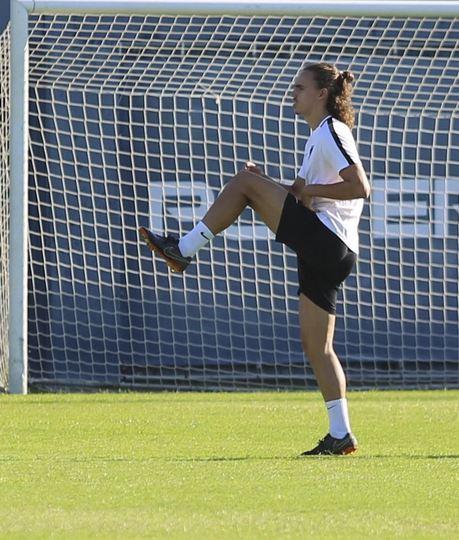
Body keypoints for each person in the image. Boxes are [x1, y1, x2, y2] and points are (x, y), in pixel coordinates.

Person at [139, 62, 370, 456]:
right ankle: (341, 434)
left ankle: (183, 251)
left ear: (321, 94)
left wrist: (272, 188)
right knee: (317, 347)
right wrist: (268, 183)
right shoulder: (317, 137)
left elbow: (360, 187)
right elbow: (299, 194)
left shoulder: (332, 129)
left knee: (242, 184)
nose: (292, 93)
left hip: (329, 241)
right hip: (332, 250)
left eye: (299, 87)